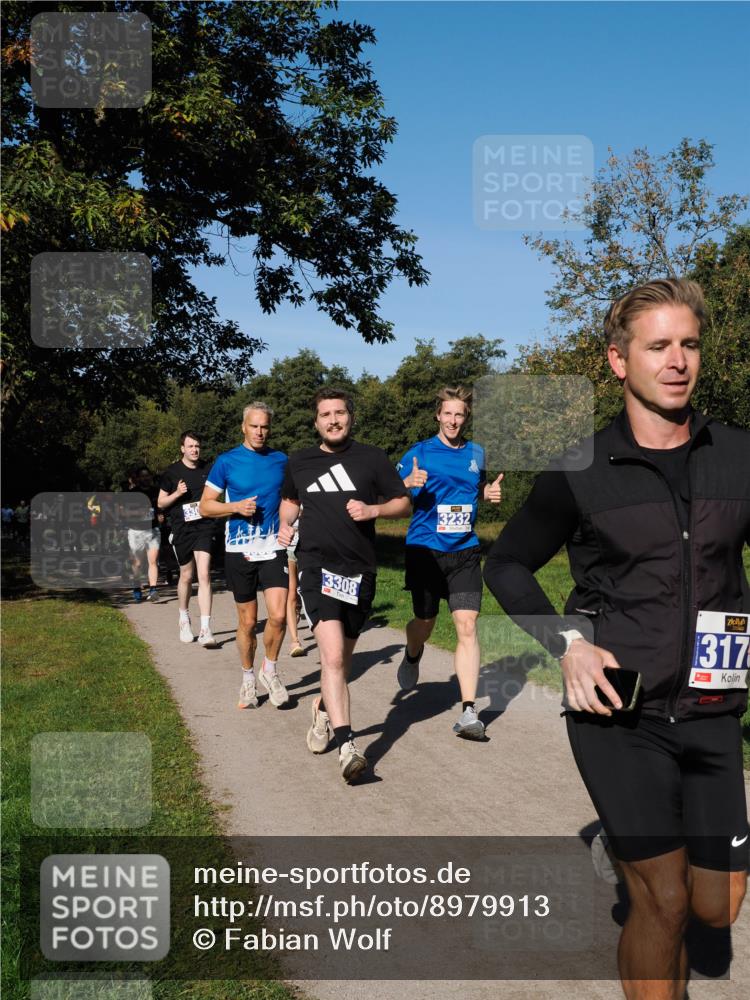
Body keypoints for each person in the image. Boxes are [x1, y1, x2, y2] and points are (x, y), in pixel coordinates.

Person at [483, 278, 749, 999]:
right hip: (618, 713)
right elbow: (505, 563)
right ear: (617, 361)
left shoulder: (739, 457)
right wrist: (567, 641)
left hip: (715, 712)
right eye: (657, 345)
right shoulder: (580, 469)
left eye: (689, 344)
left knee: (714, 906)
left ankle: (626, 857)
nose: (677, 360)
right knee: (662, 901)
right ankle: (643, 874)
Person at [277, 387, 410, 783]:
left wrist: (374, 509)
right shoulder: (299, 462)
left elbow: (403, 502)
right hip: (317, 567)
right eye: (325, 414)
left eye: (339, 413)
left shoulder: (372, 458)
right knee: (331, 657)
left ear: (350, 417)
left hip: (360, 572)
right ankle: (348, 747)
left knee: (343, 661)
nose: (333, 420)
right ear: (315, 421)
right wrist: (285, 524)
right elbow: (290, 501)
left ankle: (320, 708)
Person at [395, 386, 503, 739]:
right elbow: (390, 493)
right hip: (425, 550)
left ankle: (469, 712)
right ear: (438, 416)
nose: (454, 420)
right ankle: (413, 652)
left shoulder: (476, 453)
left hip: (466, 551)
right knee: (425, 622)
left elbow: (476, 488)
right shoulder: (420, 452)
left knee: (468, 625)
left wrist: (489, 494)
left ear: (464, 417)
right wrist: (407, 483)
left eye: (460, 415)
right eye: (448, 414)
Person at [199, 403, 290, 709]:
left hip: (274, 547)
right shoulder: (227, 462)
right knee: (248, 622)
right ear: (244, 427)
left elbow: (293, 500)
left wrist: (291, 523)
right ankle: (248, 678)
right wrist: (234, 507)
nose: (260, 432)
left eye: (264, 426)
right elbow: (205, 506)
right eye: (254, 426)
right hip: (239, 550)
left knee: (278, 616)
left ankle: (271, 670)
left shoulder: (281, 460)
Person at [158, 431, 217, 647]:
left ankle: (205, 629)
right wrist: (177, 494)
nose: (195, 450)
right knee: (186, 575)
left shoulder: (208, 469)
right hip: (182, 529)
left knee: (204, 575)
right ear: (182, 448)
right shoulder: (172, 472)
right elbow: (161, 503)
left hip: (204, 526)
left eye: (197, 446)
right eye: (190, 446)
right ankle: (184, 617)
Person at [126, 467, 160, 602]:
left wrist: (160, 514)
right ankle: (137, 587)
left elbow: (160, 506)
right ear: (138, 478)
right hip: (136, 531)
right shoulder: (132, 493)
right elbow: (124, 512)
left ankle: (153, 590)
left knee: (153, 561)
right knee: (138, 563)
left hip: (153, 530)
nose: (146, 478)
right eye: (143, 476)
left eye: (148, 476)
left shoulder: (156, 491)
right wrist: (138, 513)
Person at [285, 519, 305, 657]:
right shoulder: (284, 499)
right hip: (290, 547)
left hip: (309, 547)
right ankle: (294, 641)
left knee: (306, 591)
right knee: (291, 592)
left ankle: (298, 606)